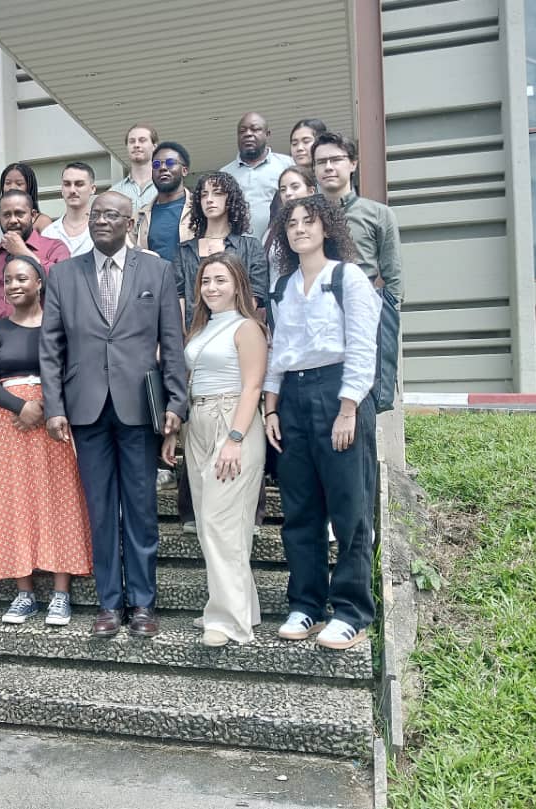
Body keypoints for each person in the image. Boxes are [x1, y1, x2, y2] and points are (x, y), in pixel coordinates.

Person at [40, 191, 187, 639]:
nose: (101, 220)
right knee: (100, 511)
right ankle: (109, 603)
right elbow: (51, 348)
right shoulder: (64, 275)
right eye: (97, 214)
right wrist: (54, 407)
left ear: (130, 223)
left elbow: (173, 342)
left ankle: (142, 604)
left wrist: (177, 404)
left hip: (139, 407)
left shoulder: (157, 271)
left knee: (141, 509)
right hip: (85, 410)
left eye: (111, 215)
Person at [264, 194, 381, 651]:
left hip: (338, 393)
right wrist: (271, 407)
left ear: (327, 227)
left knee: (350, 509)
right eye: (291, 223)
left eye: (308, 222)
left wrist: (348, 407)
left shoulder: (347, 277)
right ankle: (306, 603)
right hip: (292, 396)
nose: (299, 229)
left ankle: (352, 610)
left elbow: (362, 346)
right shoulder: (285, 286)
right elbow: (278, 351)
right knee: (299, 510)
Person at [0, 255, 93, 625]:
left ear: (40, 282)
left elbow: (74, 371)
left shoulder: (59, 328)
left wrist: (42, 405)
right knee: (13, 504)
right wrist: (19, 407)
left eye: (22, 278)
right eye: (8, 280)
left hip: (54, 422)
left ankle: (61, 592)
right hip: (9, 426)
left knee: (59, 500)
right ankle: (23, 592)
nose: (14, 285)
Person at [161, 253, 267, 646]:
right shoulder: (201, 329)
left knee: (222, 524)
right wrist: (177, 429)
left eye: (220, 280)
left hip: (232, 420)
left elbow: (253, 387)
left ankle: (227, 621)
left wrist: (235, 439)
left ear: (237, 284)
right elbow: (190, 382)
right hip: (199, 422)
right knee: (211, 524)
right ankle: (241, 607)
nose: (212, 288)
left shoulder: (247, 328)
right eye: (206, 282)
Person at [313, 132, 403, 302]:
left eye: (336, 159)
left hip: (363, 306)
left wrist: (390, 315)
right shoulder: (305, 216)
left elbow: (394, 277)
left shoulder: (379, 214)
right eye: (321, 162)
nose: (328, 167)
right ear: (314, 169)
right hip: (316, 309)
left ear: (353, 164)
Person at [173, 171, 269, 330]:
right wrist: (185, 336)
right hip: (193, 335)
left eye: (217, 193)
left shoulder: (250, 247)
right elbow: (179, 297)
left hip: (236, 335)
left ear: (230, 199)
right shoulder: (185, 250)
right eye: (204, 195)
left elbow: (253, 296)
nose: (209, 200)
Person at [0, 189, 70, 320]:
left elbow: (65, 286)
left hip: (44, 335)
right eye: (7, 215)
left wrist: (23, 252)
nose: (13, 220)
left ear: (33, 215)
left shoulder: (54, 248)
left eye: (19, 214)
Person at [221, 112, 293, 240]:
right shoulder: (224, 174)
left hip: (281, 246)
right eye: (242, 131)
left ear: (267, 134)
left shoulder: (287, 164)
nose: (248, 134)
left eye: (255, 129)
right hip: (238, 250)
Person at [134, 141, 192, 262]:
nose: (163, 168)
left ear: (184, 171)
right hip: (153, 280)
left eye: (170, 163)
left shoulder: (199, 208)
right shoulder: (140, 216)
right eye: (156, 165)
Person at [0, 162, 53, 249]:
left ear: (29, 187)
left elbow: (50, 254)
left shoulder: (42, 222)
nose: (12, 187)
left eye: (19, 184)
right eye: (8, 183)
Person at [41, 161, 96, 256]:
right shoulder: (49, 233)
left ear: (93, 189)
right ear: (61, 189)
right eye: (67, 184)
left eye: (79, 184)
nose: (72, 190)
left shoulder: (101, 228)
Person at [110, 123, 158, 210]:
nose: (136, 145)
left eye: (142, 140)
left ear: (154, 147)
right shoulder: (114, 192)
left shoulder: (169, 189)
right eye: (132, 141)